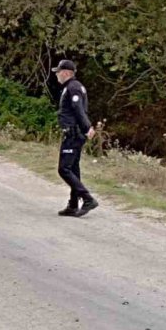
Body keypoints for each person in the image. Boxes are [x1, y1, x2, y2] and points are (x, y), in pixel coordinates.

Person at [52, 59, 99, 217]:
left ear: (66, 72)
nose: (57, 75)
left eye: (58, 71)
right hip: (74, 132)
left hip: (73, 133)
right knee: (73, 168)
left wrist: (87, 127)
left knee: (64, 169)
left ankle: (87, 199)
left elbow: (78, 109)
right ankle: (73, 204)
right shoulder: (72, 87)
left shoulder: (73, 87)